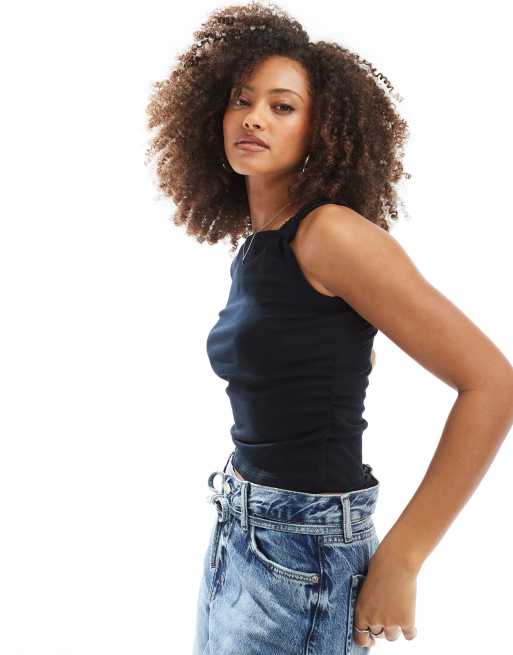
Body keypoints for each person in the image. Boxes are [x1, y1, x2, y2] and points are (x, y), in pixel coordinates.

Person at [145, 3, 513, 653]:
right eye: (241, 100)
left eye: (282, 106)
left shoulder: (330, 234)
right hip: (239, 533)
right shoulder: (260, 245)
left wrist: (402, 559)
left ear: (321, 129)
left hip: (306, 555)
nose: (253, 117)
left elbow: (492, 383)